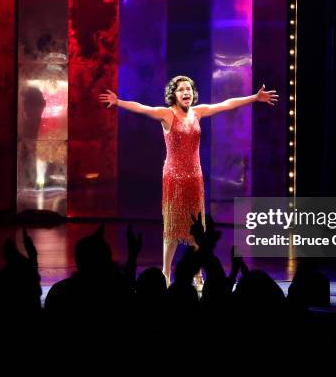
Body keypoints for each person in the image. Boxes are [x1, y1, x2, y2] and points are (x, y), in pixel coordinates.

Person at [99, 75, 278, 286]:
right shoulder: (166, 114)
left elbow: (225, 104)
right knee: (173, 227)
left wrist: (254, 98)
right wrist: (118, 101)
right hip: (173, 178)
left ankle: (196, 272)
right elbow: (142, 108)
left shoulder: (198, 112)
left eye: (189, 89)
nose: (186, 92)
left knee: (197, 228)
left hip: (195, 178)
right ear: (173, 95)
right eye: (181, 89)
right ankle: (165, 272)